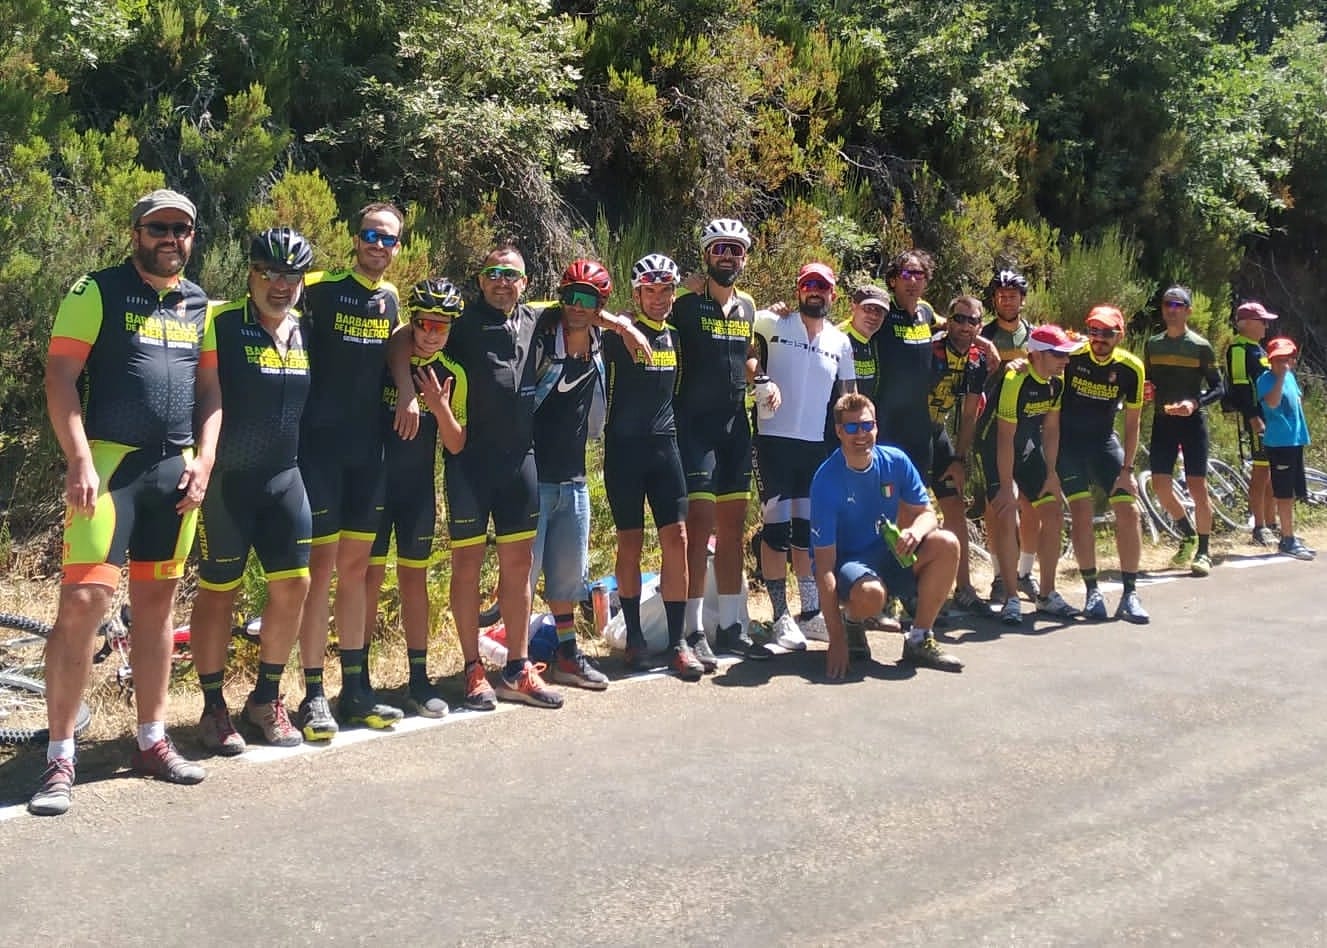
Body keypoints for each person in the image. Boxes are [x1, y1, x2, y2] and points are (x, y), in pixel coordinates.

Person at [32, 188, 217, 816]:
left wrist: (205, 460)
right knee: (85, 602)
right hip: (110, 467)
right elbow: (59, 375)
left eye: (182, 230)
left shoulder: (199, 303)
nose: (172, 239)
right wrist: (79, 456)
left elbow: (211, 390)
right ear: (136, 231)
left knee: (157, 607)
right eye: (159, 228)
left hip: (175, 469)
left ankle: (151, 740)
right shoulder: (97, 291)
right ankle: (59, 754)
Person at [190, 228, 315, 755]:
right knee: (220, 592)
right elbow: (202, 396)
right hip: (230, 483)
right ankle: (212, 707)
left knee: (295, 587)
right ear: (251, 273)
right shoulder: (221, 323)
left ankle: (266, 699)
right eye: (270, 272)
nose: (280, 284)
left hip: (285, 478)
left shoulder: (306, 333)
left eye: (291, 275)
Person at [295, 202, 414, 740]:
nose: (379, 246)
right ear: (355, 237)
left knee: (359, 571)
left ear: (398, 247)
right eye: (371, 235)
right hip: (319, 449)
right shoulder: (317, 287)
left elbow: (396, 351)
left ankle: (356, 688)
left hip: (369, 451)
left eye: (389, 239)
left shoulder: (389, 299)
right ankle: (312, 693)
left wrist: (409, 393)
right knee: (318, 572)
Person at [364, 280, 468, 719]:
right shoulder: (390, 355)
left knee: (414, 581)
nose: (431, 333)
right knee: (366, 580)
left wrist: (438, 406)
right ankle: (358, 678)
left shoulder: (452, 372)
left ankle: (419, 679)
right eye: (424, 323)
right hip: (373, 484)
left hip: (417, 488)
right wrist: (405, 388)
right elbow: (396, 343)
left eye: (441, 326)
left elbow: (457, 444)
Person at [671, 219, 769, 660]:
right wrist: (677, 290)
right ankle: (692, 631)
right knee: (698, 529)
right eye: (719, 249)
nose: (727, 256)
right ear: (706, 255)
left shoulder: (748, 306)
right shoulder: (686, 303)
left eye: (735, 249)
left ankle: (731, 625)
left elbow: (747, 354)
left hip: (734, 428)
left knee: (732, 531)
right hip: (694, 428)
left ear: (744, 258)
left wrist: (762, 378)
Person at [811, 393, 963, 678]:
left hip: (889, 554)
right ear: (839, 432)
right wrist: (837, 641)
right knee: (871, 595)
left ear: (876, 427)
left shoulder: (895, 461)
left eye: (867, 426)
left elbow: (928, 514)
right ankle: (852, 622)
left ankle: (919, 638)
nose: (861, 434)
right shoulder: (826, 481)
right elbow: (824, 569)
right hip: (850, 566)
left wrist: (915, 532)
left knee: (947, 543)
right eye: (853, 428)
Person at [601, 254, 702, 679]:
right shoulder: (619, 335)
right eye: (650, 291)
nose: (659, 299)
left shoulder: (676, 338)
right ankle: (636, 639)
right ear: (636, 292)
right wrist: (621, 324)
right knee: (630, 543)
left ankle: (679, 642)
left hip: (666, 450)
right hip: (624, 452)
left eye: (666, 291)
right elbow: (576, 311)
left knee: (677, 538)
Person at [749, 263, 856, 648]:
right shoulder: (773, 322)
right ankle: (779, 616)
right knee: (775, 532)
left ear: (833, 294)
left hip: (814, 446)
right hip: (772, 441)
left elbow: (848, 397)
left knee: (805, 534)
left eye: (823, 287)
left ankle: (810, 613)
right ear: (798, 290)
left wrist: (856, 439)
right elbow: (736, 338)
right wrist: (760, 376)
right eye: (808, 285)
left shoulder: (840, 341)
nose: (815, 292)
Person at [528, 260, 612, 690]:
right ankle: (517, 664)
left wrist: (621, 325)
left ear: (600, 305)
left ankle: (566, 655)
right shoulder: (541, 339)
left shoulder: (602, 342)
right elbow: (532, 308)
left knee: (567, 579)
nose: (577, 307)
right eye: (570, 296)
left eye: (588, 300)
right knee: (523, 576)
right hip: (534, 477)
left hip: (574, 478)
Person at [1045, 305, 1150, 623]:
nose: (1099, 338)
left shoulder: (1131, 367)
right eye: (1094, 331)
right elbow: (1042, 357)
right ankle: (1092, 591)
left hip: (1105, 443)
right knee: (1081, 509)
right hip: (1069, 445)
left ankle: (1130, 593)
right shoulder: (1073, 357)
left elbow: (1133, 423)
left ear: (1120, 334)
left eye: (1106, 333)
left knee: (1128, 509)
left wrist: (1128, 470)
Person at [977, 324, 1084, 625]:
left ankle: (1047, 594)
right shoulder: (1015, 380)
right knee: (1007, 511)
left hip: (1027, 448)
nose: (1065, 361)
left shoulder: (1056, 382)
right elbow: (1002, 437)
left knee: (1052, 510)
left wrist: (1051, 472)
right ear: (1036, 355)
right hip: (995, 448)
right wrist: (1006, 484)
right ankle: (1011, 597)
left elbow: (1050, 429)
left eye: (1066, 354)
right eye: (1058, 354)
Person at [1142, 285, 1225, 577]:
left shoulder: (1200, 346)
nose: (1172, 310)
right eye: (1167, 304)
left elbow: (1219, 387)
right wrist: (1146, 390)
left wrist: (1194, 402)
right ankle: (1187, 533)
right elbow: (1149, 380)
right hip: (1164, 421)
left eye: (1178, 305)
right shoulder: (1153, 344)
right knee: (1160, 485)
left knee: (1196, 486)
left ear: (1188, 310)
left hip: (1193, 422)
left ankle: (1203, 551)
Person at [927, 296, 998, 612]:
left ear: (980, 325)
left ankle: (964, 588)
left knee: (954, 506)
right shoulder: (928, 347)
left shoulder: (977, 360)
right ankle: (907, 590)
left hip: (938, 433)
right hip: (908, 433)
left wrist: (960, 458)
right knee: (907, 512)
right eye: (959, 319)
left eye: (973, 321)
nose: (965, 326)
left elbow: (969, 415)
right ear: (948, 321)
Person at [980, 268, 1041, 602]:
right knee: (997, 506)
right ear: (994, 299)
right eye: (1001, 295)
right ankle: (999, 577)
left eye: (1012, 295)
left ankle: (1026, 573)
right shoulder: (985, 333)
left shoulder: (1034, 335)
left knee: (1031, 503)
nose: (1006, 300)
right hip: (992, 427)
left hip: (1030, 425)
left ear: (1022, 299)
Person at [865, 251, 940, 477]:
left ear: (926, 280)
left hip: (919, 421)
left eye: (919, 274)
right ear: (893, 280)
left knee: (917, 490)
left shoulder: (925, 312)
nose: (913, 281)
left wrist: (985, 344)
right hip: (888, 418)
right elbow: (849, 327)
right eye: (906, 274)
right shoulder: (883, 312)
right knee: (886, 490)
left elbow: (952, 325)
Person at [1257, 337, 1316, 561]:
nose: (1284, 363)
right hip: (1279, 442)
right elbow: (1271, 403)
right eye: (1279, 359)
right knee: (1283, 492)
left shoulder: (1291, 377)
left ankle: (1289, 534)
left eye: (1288, 359)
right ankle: (1287, 538)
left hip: (1295, 440)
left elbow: (1297, 401)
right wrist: (1280, 375)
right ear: (1271, 360)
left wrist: (1287, 376)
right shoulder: (1266, 379)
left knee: (1291, 491)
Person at [1224, 301, 1278, 545]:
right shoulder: (1238, 348)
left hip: (1272, 418)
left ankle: (1272, 522)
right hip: (1259, 420)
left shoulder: (1257, 348)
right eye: (1262, 321)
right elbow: (1239, 386)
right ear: (1246, 324)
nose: (1266, 326)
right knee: (1260, 470)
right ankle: (1259, 526)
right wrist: (1253, 417)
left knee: (1272, 471)